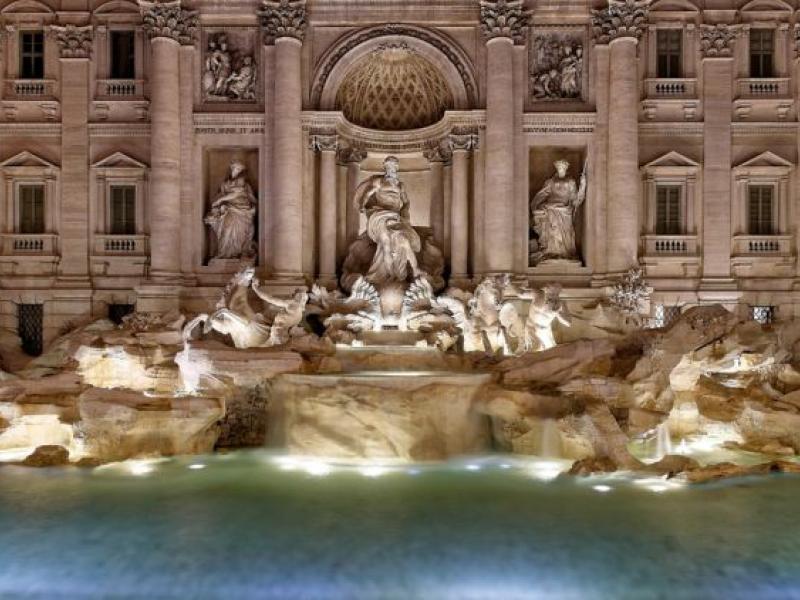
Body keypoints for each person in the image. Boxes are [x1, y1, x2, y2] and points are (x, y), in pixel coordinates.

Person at [352, 156, 422, 285]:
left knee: (404, 241)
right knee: (386, 243)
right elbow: (367, 194)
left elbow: (406, 202)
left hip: (394, 217)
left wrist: (405, 215)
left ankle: (415, 270)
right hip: (379, 215)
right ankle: (389, 276)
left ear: (397, 168)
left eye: (394, 166)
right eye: (389, 166)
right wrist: (362, 205)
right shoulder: (379, 181)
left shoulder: (401, 185)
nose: (392, 168)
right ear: (385, 166)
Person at [530, 159, 587, 263]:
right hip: (551, 209)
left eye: (563, 167)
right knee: (553, 231)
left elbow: (575, 199)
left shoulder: (571, 182)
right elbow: (542, 194)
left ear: (566, 168)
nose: (561, 169)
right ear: (557, 168)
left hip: (565, 211)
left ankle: (564, 254)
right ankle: (551, 253)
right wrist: (535, 206)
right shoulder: (550, 182)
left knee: (566, 233)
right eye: (559, 167)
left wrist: (583, 186)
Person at [204, 159, 257, 259]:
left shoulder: (243, 182)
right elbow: (220, 194)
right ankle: (225, 253)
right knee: (227, 229)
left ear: (241, 170)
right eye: (233, 168)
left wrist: (220, 200)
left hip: (242, 210)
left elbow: (236, 193)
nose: (234, 170)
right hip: (229, 210)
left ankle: (238, 252)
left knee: (239, 233)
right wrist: (218, 203)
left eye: (237, 168)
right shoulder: (225, 183)